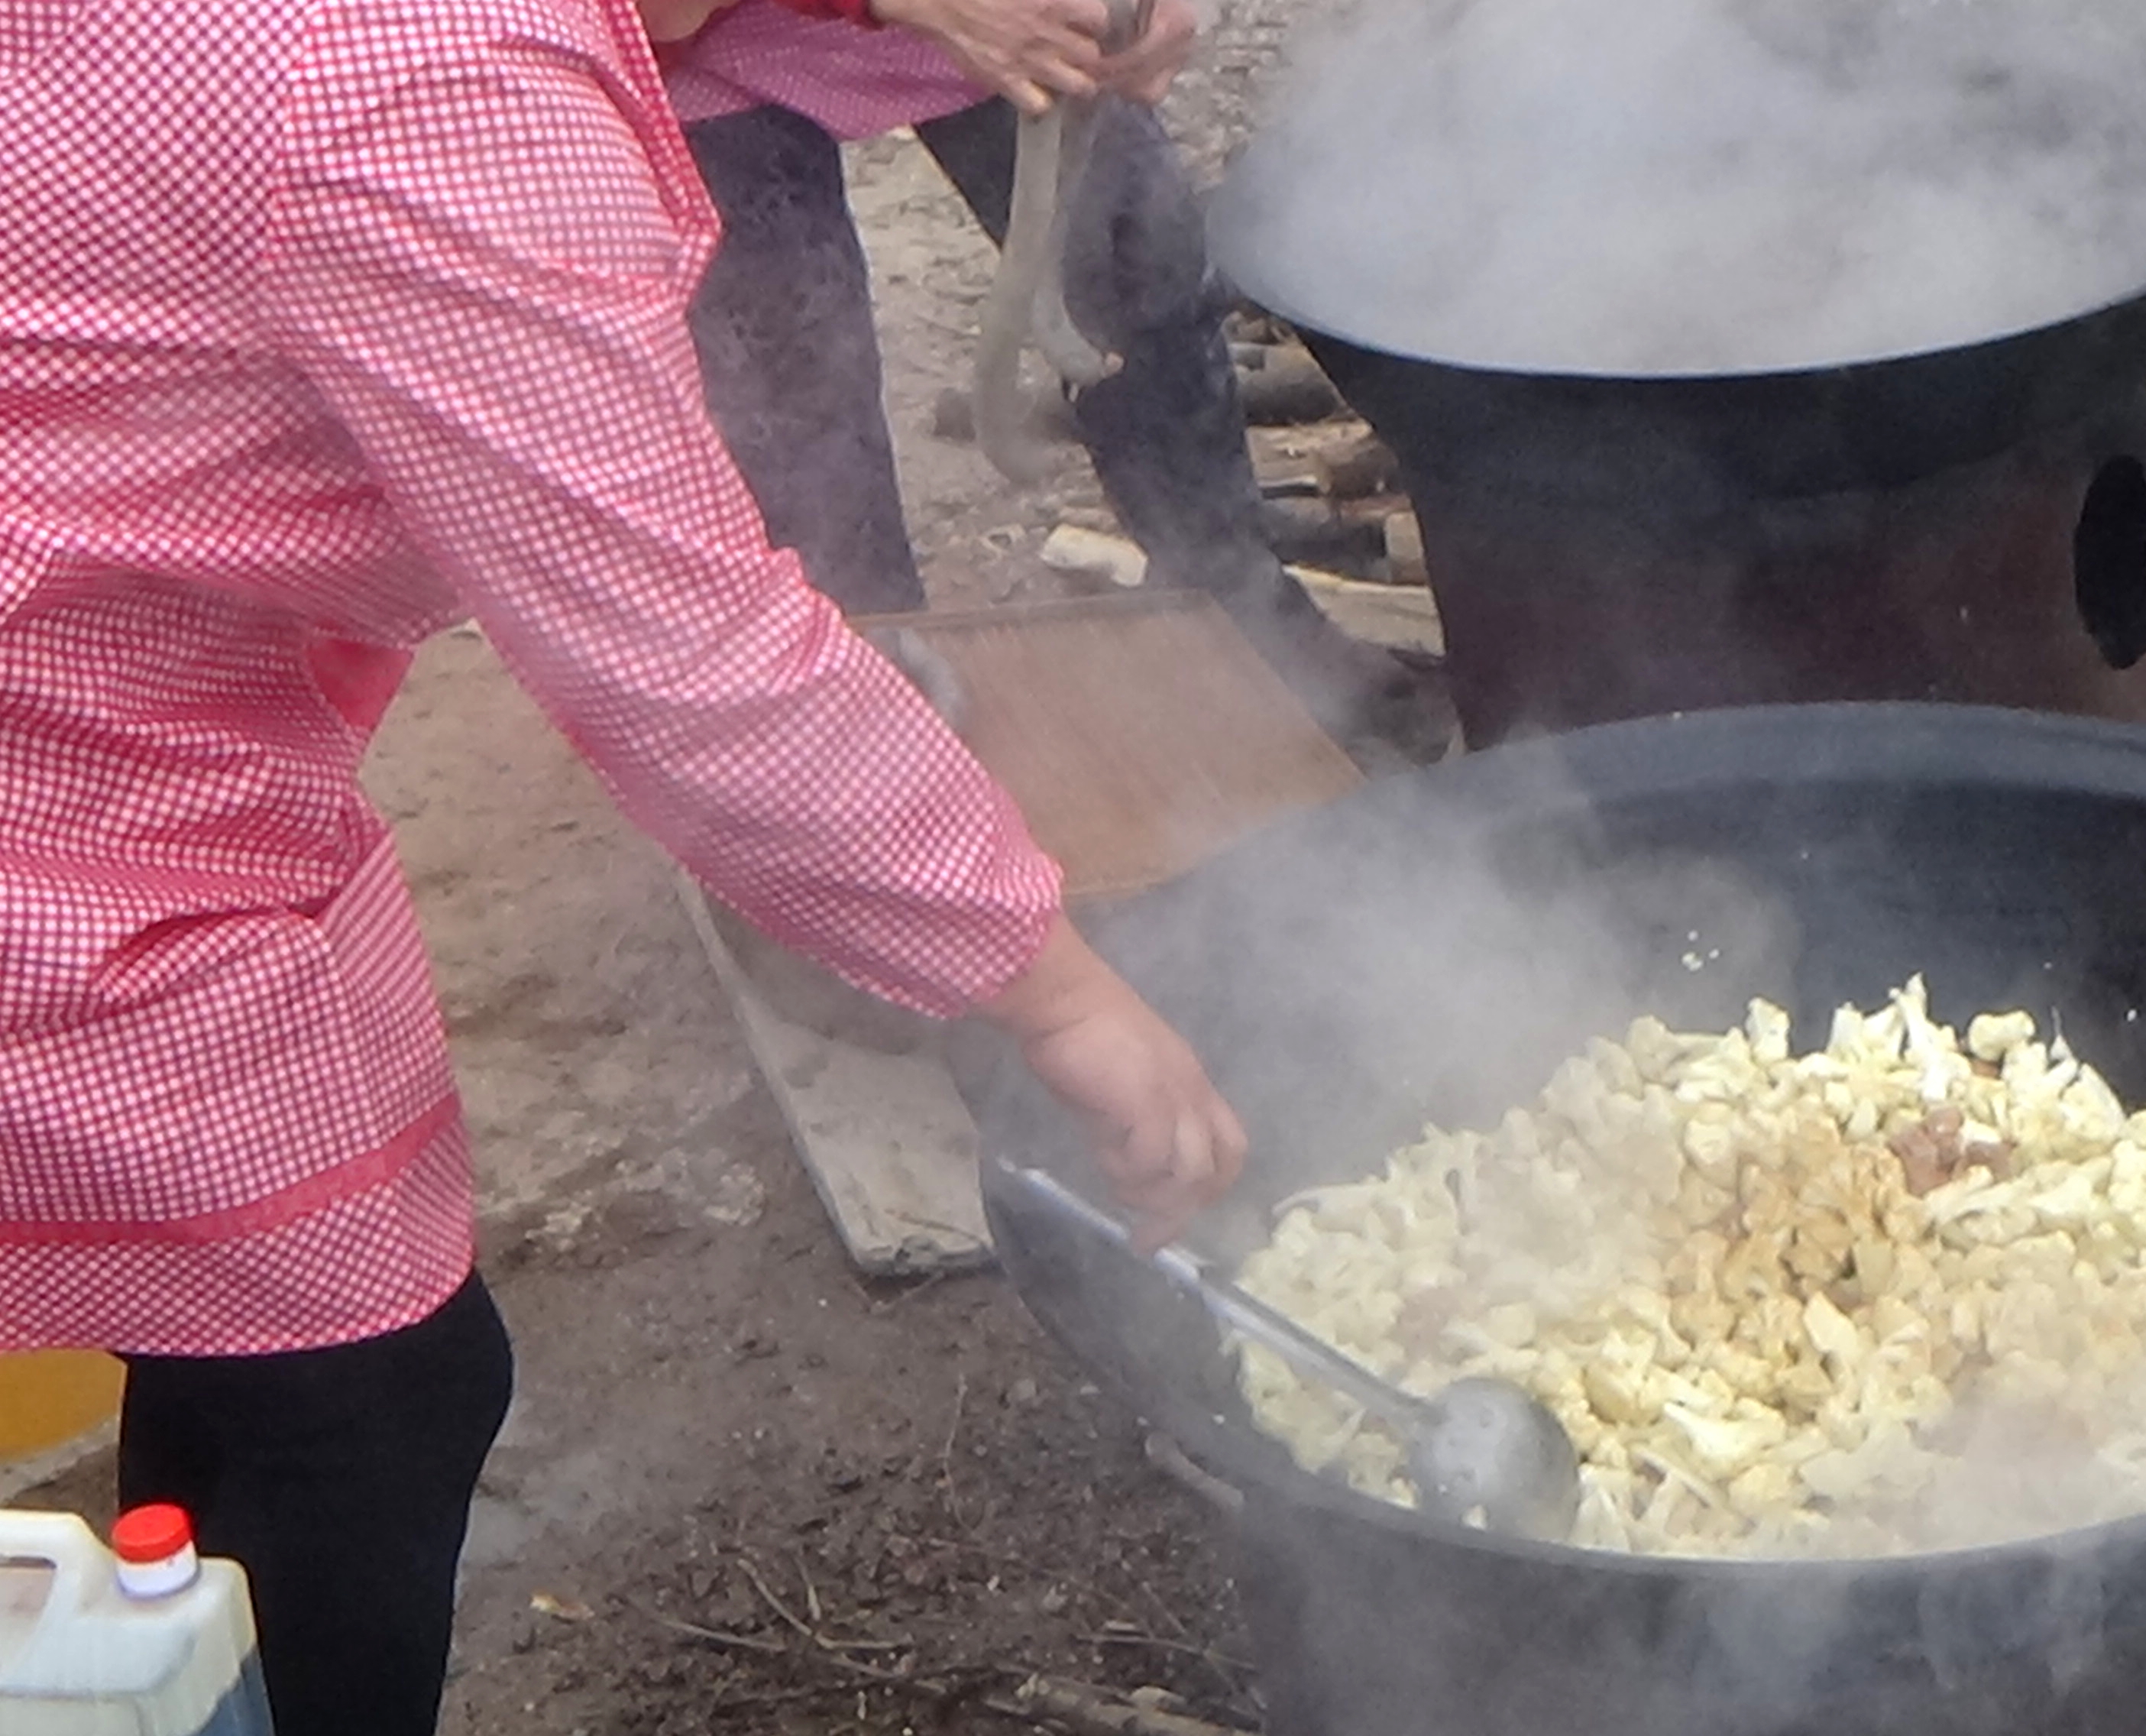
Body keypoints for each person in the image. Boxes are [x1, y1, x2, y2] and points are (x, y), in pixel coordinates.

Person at [0, 3, 1247, 1734]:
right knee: (368, 1397)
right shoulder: (419, 98)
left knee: (289, 1351)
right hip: (65, 795)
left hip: (151, 700)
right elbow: (686, 661)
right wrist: (1052, 976)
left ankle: (178, 1621)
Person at [662, 0, 1413, 724]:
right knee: (795, 377)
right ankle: (869, 698)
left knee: (1139, 252)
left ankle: (1230, 597)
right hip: (703, 36)